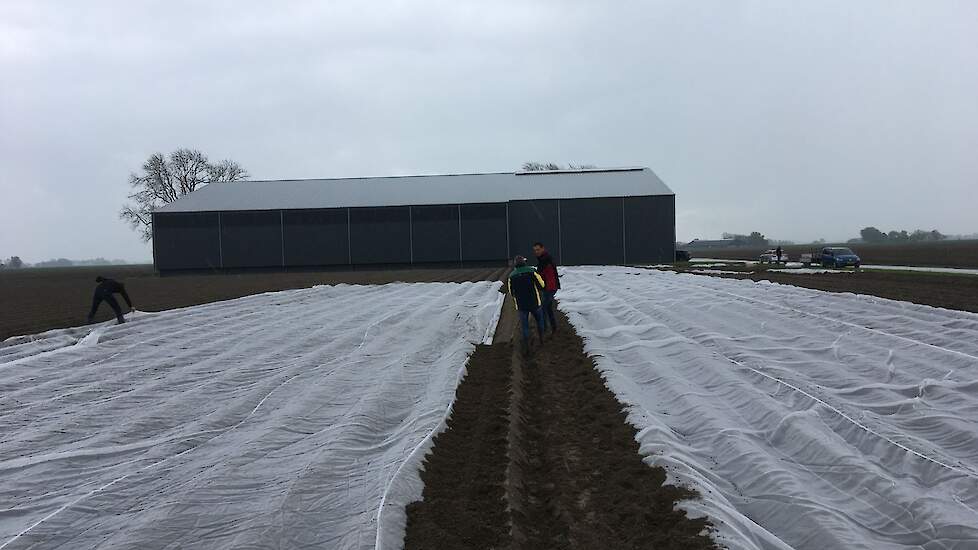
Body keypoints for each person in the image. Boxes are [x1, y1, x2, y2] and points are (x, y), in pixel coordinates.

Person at [507, 256, 546, 356]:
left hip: (521, 305)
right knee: (539, 321)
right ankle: (542, 339)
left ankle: (527, 346)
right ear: (524, 263)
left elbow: (511, 292)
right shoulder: (532, 271)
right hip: (534, 303)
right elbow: (542, 285)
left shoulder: (511, 276)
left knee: (525, 326)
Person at [532, 242, 560, 333]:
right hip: (548, 287)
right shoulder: (543, 259)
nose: (536, 252)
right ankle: (553, 328)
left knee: (543, 308)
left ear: (543, 248)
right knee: (548, 308)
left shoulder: (545, 259)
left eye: (538, 249)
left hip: (550, 287)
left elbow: (539, 274)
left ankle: (544, 330)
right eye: (535, 250)